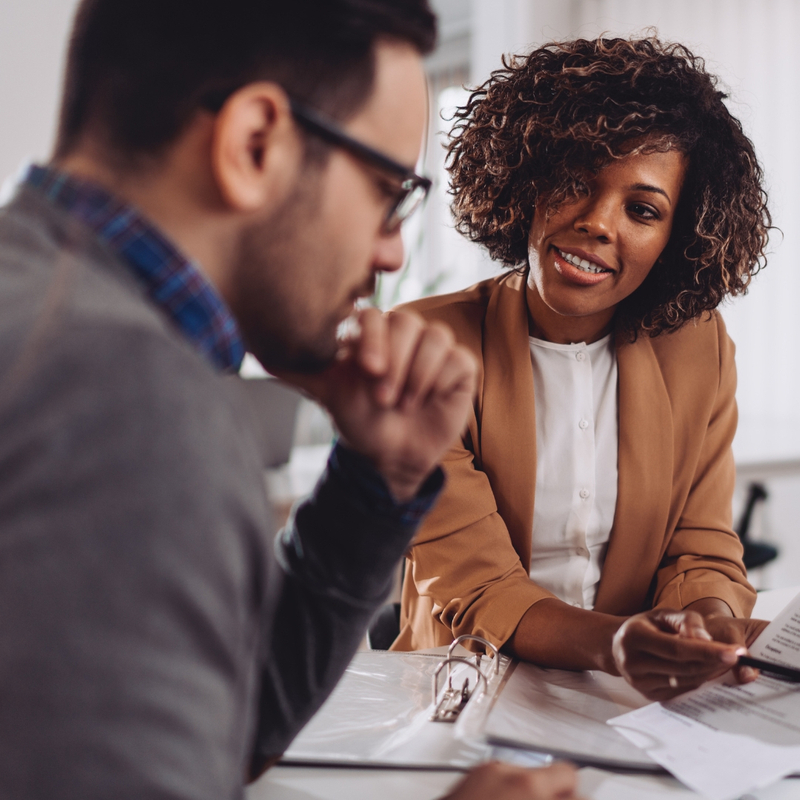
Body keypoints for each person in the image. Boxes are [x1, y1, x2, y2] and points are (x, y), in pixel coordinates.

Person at [0, 2, 580, 799]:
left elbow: (213, 734)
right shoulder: (132, 402)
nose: (391, 250)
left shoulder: (36, 304)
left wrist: (375, 483)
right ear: (254, 144)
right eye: (388, 191)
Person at [394, 36, 772, 701]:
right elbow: (476, 585)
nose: (599, 223)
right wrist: (618, 643)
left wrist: (709, 631)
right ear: (530, 176)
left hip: (625, 705)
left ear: (677, 236)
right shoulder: (423, 344)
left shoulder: (698, 348)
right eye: (577, 180)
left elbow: (701, 549)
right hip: (458, 692)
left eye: (643, 210)